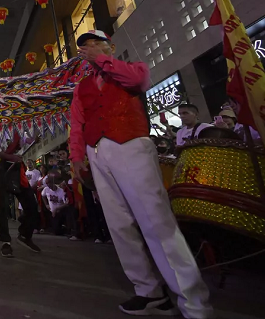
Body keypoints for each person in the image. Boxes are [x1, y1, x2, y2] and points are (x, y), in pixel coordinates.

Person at [71, 30, 211, 318]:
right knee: (119, 226)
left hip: (131, 145)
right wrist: (78, 159)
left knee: (155, 221)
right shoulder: (81, 86)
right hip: (98, 152)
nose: (89, 49)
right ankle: (149, 291)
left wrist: (103, 60)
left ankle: (194, 302)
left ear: (110, 46)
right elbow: (77, 123)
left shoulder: (131, 69)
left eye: (95, 44)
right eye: (86, 47)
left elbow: (138, 81)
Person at [0, 131, 41, 258]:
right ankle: (5, 242)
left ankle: (25, 234)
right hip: (5, 169)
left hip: (19, 168)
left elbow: (28, 141)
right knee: (4, 206)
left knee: (32, 204)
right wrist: (10, 157)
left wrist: (35, 139)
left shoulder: (20, 129)